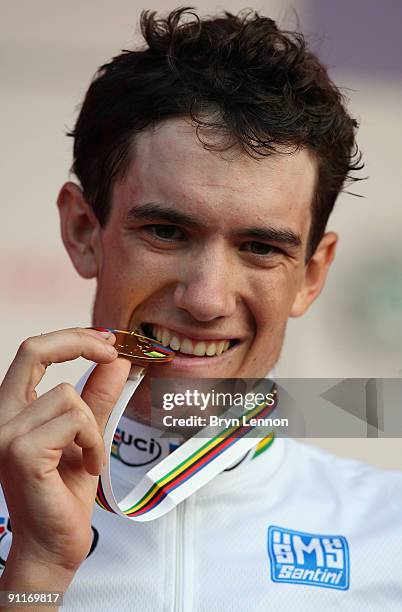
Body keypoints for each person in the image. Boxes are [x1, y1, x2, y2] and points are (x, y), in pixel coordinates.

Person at [0, 7, 401, 611]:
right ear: (84, 230)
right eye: (166, 231)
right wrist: (37, 572)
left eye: (261, 247)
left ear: (310, 274)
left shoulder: (389, 531)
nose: (207, 300)